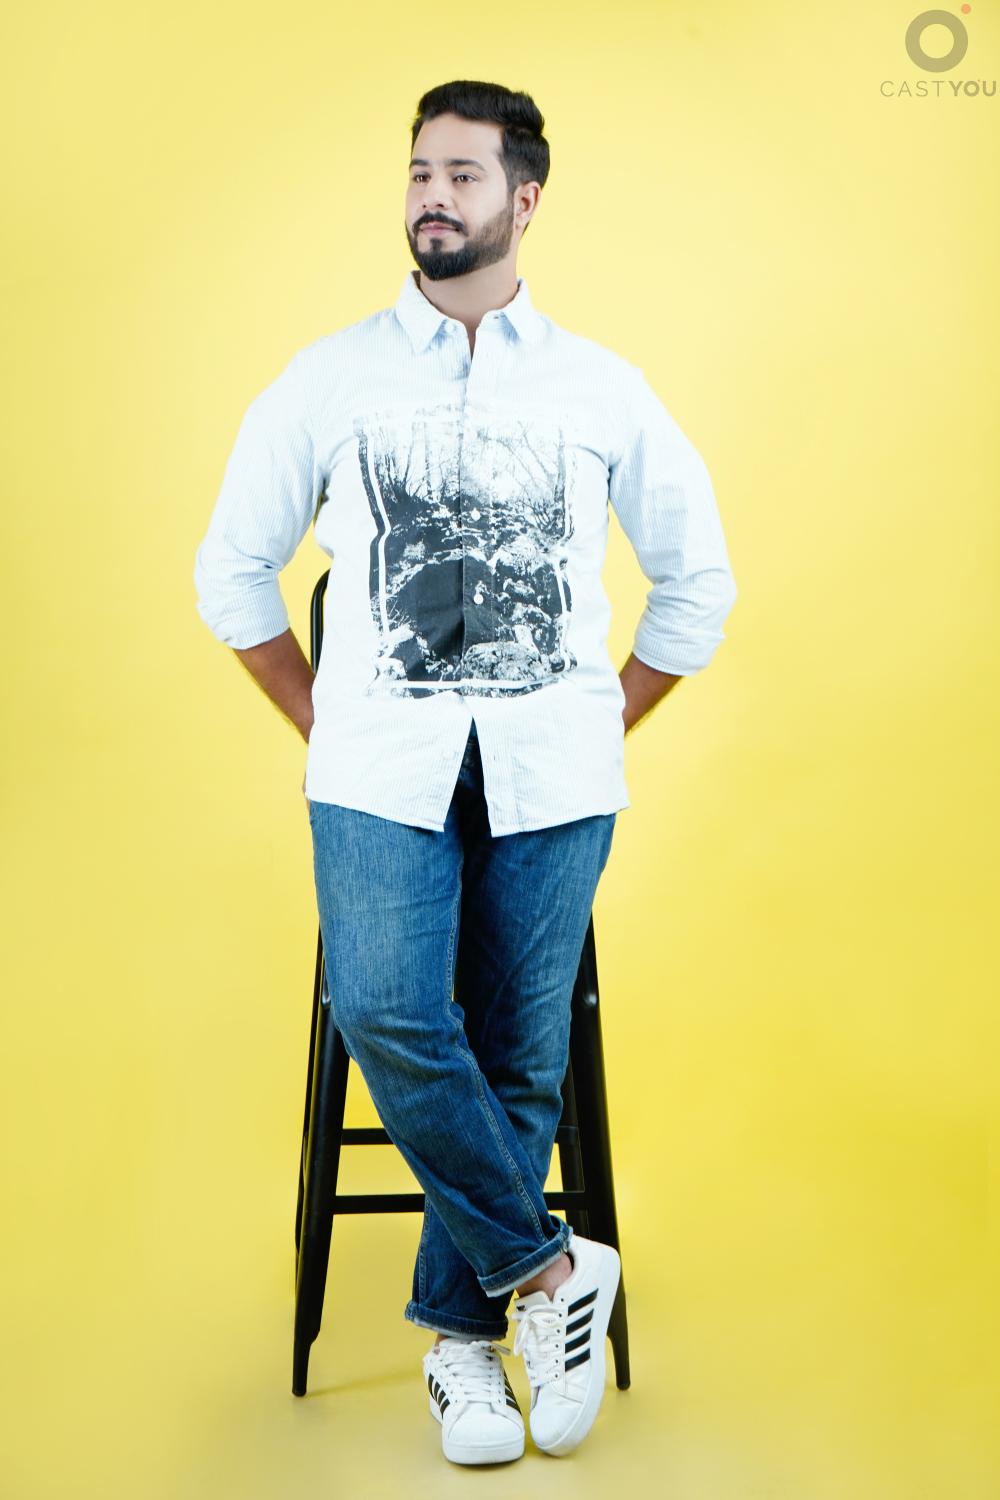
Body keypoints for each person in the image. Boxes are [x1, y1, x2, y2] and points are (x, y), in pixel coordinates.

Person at [193, 78, 738, 1466]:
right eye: (420, 172)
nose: (433, 195)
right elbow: (231, 571)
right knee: (386, 1005)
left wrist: (604, 722)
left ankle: (460, 1350)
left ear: (524, 199)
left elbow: (698, 586)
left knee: (516, 1051)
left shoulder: (600, 387)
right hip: (379, 771)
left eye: (463, 174)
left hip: (556, 775)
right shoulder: (331, 378)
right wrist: (322, 715)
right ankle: (551, 1272)